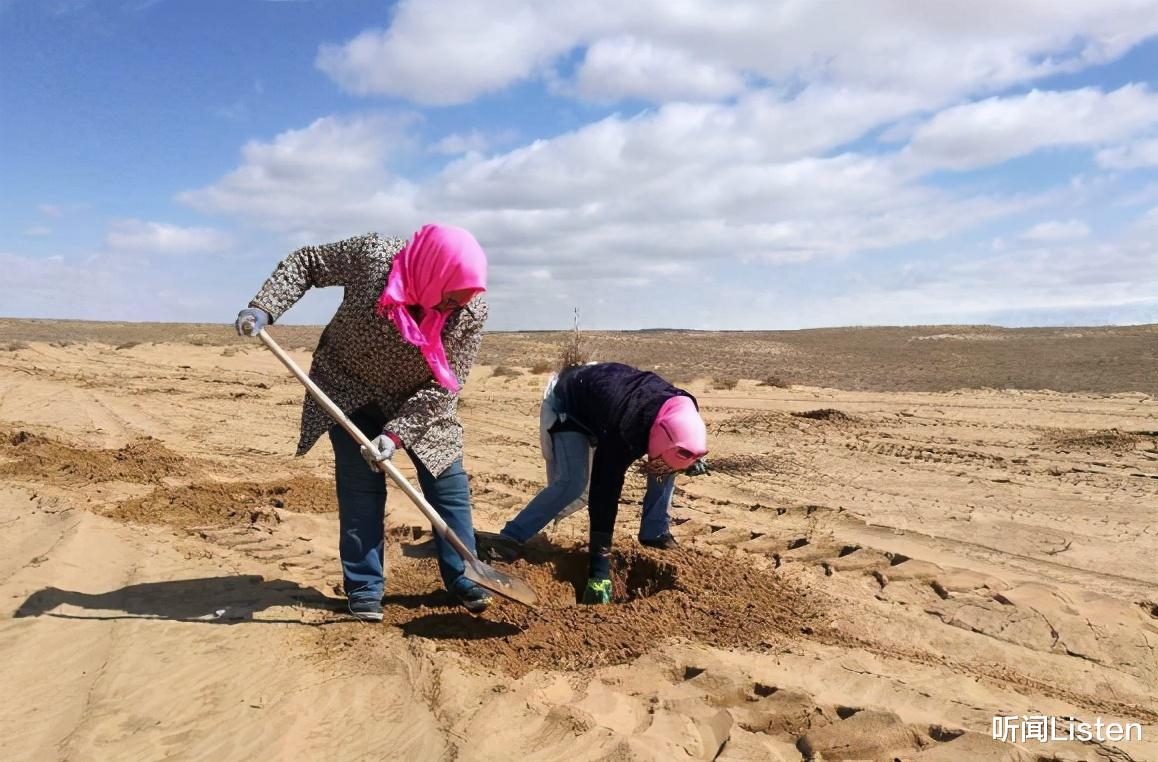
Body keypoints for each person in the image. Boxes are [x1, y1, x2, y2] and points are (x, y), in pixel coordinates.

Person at [235, 224, 491, 621]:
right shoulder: (374, 258)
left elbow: (444, 386)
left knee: (447, 484)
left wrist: (395, 434)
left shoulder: (470, 309)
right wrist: (265, 307)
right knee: (360, 491)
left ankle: (466, 576)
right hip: (347, 388)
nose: (454, 308)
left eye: (464, 298)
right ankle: (365, 589)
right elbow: (308, 262)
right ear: (433, 271)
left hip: (419, 400)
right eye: (451, 297)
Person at [486, 362, 709, 604]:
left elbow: (680, 441)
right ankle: (511, 536)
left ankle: (654, 533)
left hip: (613, 399)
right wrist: (600, 570)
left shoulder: (683, 409)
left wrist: (687, 460)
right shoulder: (623, 433)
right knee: (573, 483)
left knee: (663, 467)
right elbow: (603, 496)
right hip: (571, 403)